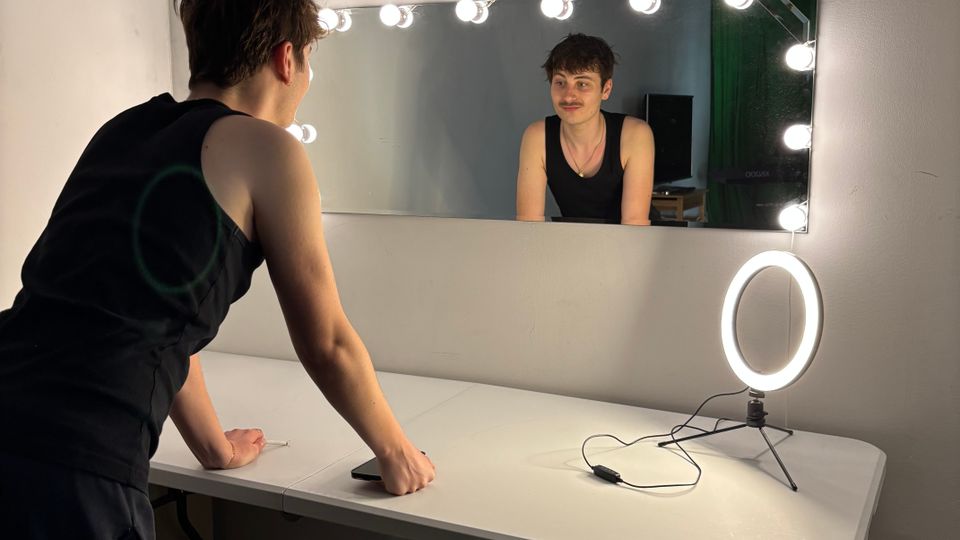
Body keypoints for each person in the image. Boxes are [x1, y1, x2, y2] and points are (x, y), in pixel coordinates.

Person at [0, 1, 434, 537]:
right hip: (77, 461)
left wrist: (214, 447)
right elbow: (327, 342)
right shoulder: (269, 149)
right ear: (286, 59)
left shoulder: (126, 130)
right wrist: (396, 451)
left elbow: (152, 310)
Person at [516, 33, 655, 225]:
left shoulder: (635, 134)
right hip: (576, 243)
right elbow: (528, 227)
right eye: (560, 82)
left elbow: (634, 228)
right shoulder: (537, 136)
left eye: (582, 84)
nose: (568, 96)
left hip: (634, 246)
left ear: (606, 89)